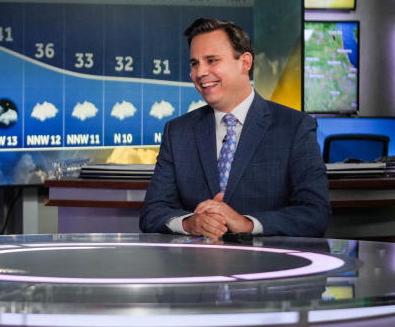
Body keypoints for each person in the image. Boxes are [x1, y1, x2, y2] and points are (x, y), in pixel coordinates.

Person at [139, 17, 330, 239]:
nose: (200, 72)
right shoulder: (178, 132)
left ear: (245, 63)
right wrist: (190, 223)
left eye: (212, 60)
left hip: (268, 267)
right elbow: (152, 213)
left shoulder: (294, 127)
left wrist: (246, 224)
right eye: (194, 63)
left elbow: (315, 214)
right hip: (197, 267)